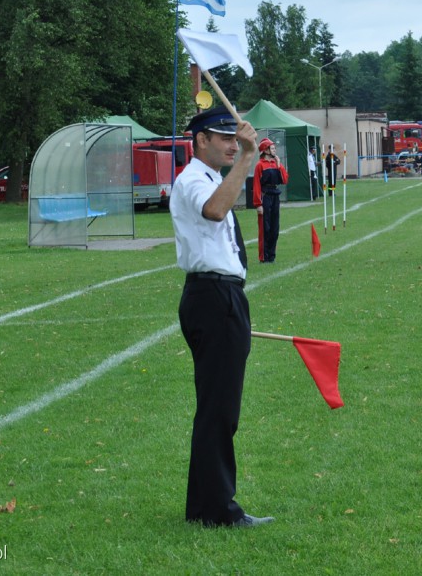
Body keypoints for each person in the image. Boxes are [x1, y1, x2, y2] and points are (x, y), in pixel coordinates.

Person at [169, 106, 273, 529]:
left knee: (220, 407)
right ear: (200, 140)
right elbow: (214, 211)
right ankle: (216, 509)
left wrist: (242, 162)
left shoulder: (213, 177)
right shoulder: (193, 178)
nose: (233, 144)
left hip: (223, 294)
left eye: (236, 139)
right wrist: (248, 158)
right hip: (211, 296)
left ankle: (206, 505)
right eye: (224, 138)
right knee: (219, 409)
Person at [253, 138, 288, 263]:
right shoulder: (259, 165)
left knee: (274, 227)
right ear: (266, 150)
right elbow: (256, 185)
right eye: (272, 148)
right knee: (265, 228)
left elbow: (284, 180)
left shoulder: (275, 163)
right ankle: (264, 256)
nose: (274, 150)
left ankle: (272, 256)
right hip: (265, 197)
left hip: (275, 197)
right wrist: (258, 204)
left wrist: (279, 165)